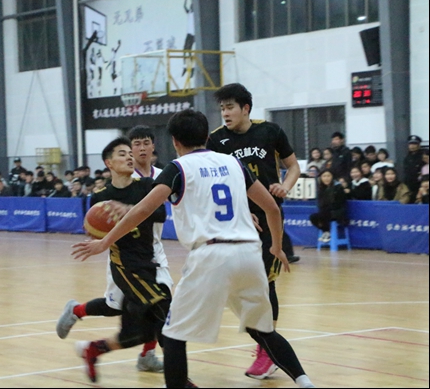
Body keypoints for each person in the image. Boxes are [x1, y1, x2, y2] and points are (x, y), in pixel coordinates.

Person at [72, 110, 315, 389]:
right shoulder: (233, 162)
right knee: (264, 331)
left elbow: (142, 210)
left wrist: (104, 242)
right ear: (207, 136)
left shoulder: (178, 168)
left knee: (173, 335)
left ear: (175, 141)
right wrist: (276, 247)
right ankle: (305, 382)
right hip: (249, 254)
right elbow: (272, 207)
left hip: (211, 256)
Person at [57, 127, 174, 373]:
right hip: (124, 264)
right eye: (124, 153)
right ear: (108, 163)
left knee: (147, 323)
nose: (131, 156)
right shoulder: (101, 197)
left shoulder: (148, 184)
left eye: (131, 153)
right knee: (139, 311)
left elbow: (160, 213)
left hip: (153, 256)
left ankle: (100, 348)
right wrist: (98, 234)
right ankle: (79, 315)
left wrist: (129, 210)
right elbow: (94, 228)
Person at [205, 83, 301, 379]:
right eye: (222, 108)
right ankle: (264, 341)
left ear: (245, 108)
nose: (225, 113)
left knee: (266, 283)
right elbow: (213, 183)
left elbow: (293, 166)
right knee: (239, 284)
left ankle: (266, 350)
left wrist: (285, 186)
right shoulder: (215, 140)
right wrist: (240, 210)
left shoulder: (270, 131)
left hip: (269, 217)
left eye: (230, 107)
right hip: (236, 220)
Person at [310, 169, 348, 242]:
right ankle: (326, 231)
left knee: (324, 212)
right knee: (313, 217)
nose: (326, 178)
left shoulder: (338, 187)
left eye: (328, 176)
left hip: (338, 212)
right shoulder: (321, 189)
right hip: (325, 212)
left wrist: (328, 207)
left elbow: (339, 203)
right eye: (324, 176)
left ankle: (327, 233)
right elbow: (320, 203)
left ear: (332, 177)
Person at [403, 135, 425, 203]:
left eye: (414, 144)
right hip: (409, 186)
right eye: (410, 144)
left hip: (420, 185)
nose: (412, 146)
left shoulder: (423, 156)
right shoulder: (407, 157)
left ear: (419, 145)